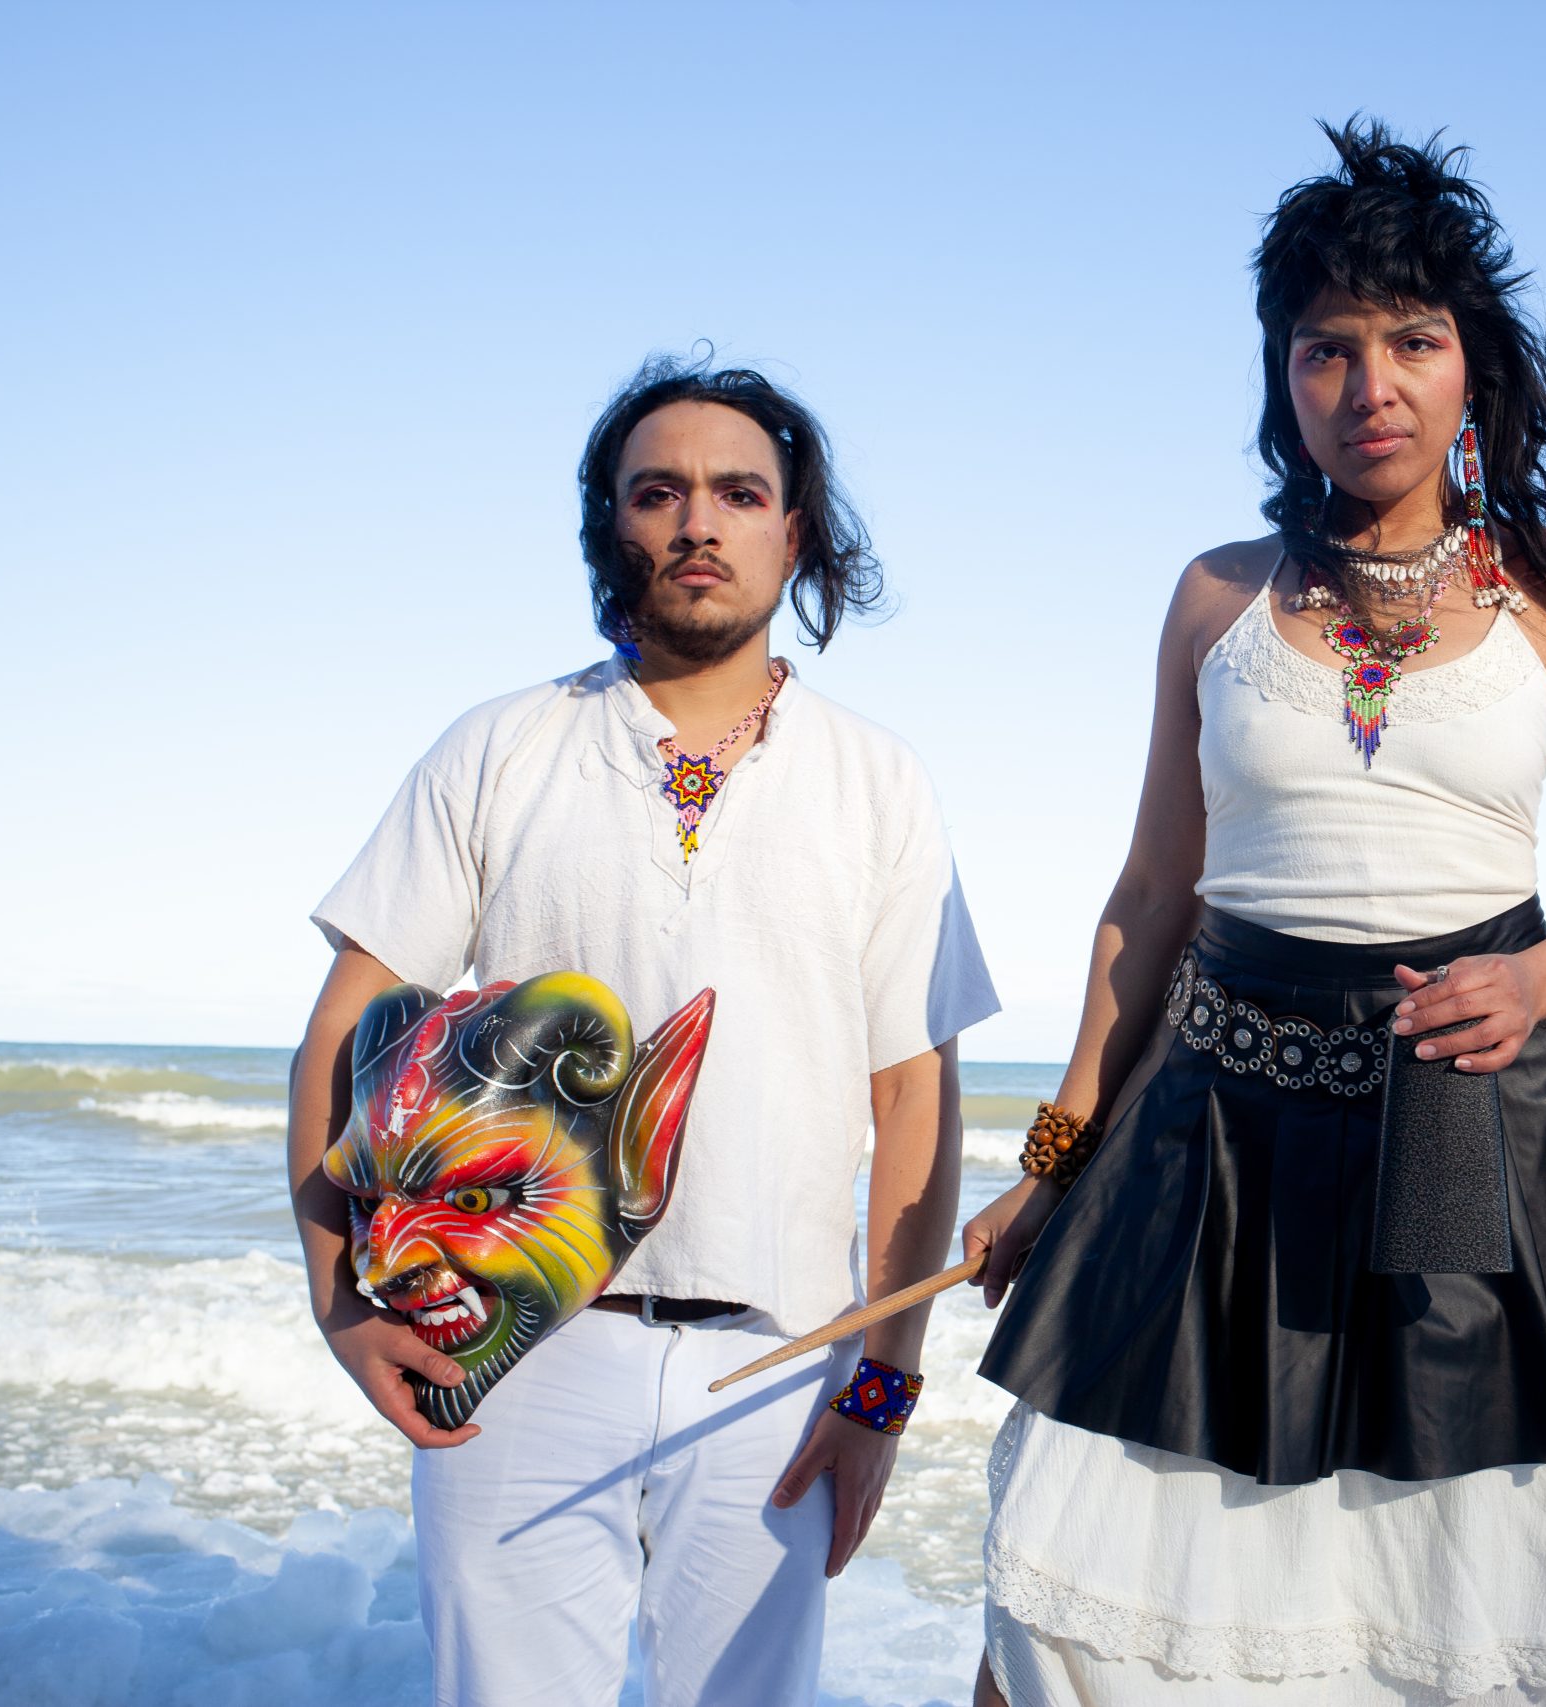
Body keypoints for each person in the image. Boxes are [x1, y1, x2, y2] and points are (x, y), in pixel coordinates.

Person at [955, 121, 1546, 1707]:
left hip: (1468, 1109)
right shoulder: (1216, 594)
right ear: (1283, 377)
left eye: (1412, 341)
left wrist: (1538, 983)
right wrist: (1053, 1160)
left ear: (1471, 365)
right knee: (1098, 1572)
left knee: (1457, 1564)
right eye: (1327, 348)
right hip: (1215, 1113)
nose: (1371, 384)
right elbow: (1151, 894)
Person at [284, 360, 998, 1707]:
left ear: (794, 531)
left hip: (778, 1364)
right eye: (657, 492)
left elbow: (913, 1095)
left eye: (741, 493)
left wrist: (883, 1390)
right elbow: (342, 1028)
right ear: (609, 524)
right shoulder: (501, 745)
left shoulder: (877, 778)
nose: (698, 523)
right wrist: (338, 1303)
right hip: (514, 1346)